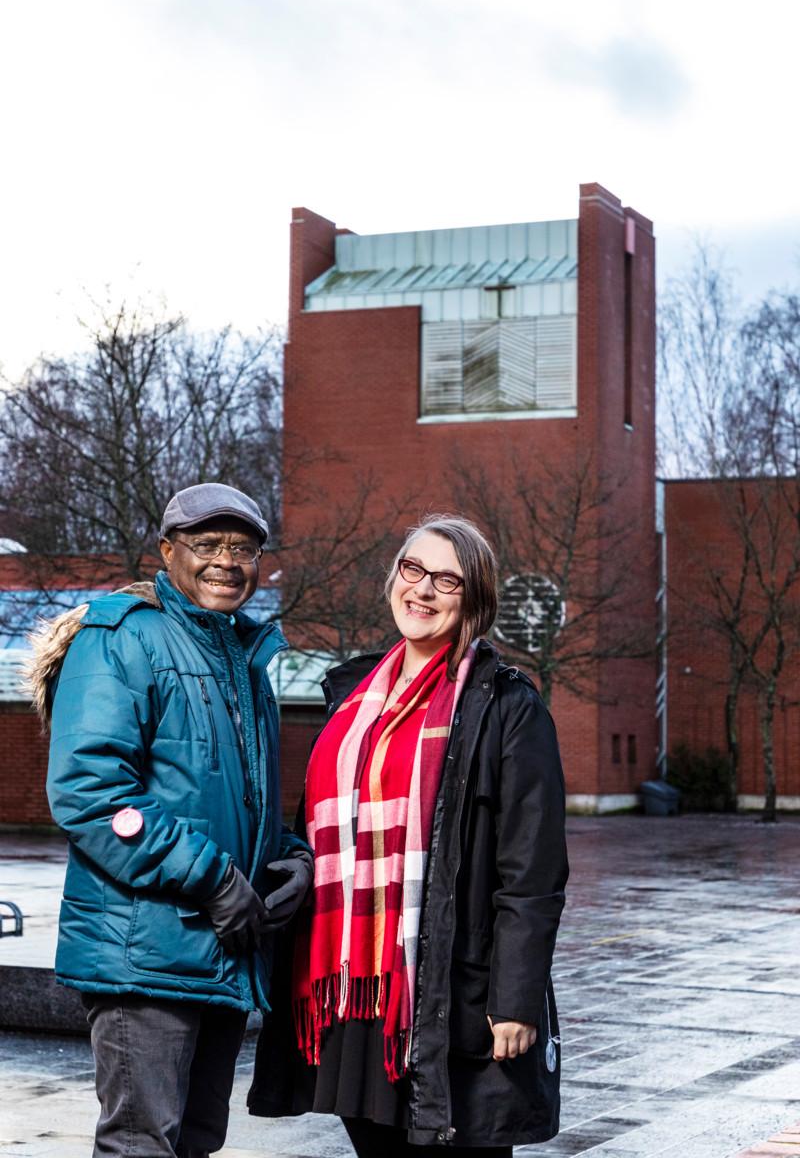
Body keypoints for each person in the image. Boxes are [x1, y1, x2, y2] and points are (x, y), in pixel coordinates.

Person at [248, 514, 569, 1156]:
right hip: (353, 987)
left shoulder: (506, 705)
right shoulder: (349, 700)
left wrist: (516, 999)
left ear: (475, 600)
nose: (421, 589)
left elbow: (532, 871)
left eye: (447, 580)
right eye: (412, 569)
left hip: (451, 992)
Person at [32, 482, 313, 1158]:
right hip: (146, 950)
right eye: (207, 545)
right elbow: (90, 792)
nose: (226, 562)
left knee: (193, 1141)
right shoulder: (122, 637)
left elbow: (240, 806)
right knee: (141, 1144)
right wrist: (215, 881)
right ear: (167, 552)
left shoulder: (245, 659)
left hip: (220, 948)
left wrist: (292, 859)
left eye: (243, 549)